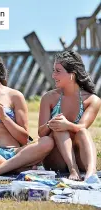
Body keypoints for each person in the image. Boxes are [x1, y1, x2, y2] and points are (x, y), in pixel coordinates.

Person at [39, 50, 101, 180]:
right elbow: (41, 133)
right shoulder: (49, 98)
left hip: (80, 159)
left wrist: (66, 125)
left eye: (58, 71)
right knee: (58, 128)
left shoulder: (92, 100)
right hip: (56, 161)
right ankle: (73, 171)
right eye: (53, 70)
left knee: (82, 132)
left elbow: (82, 127)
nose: (53, 75)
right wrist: (52, 124)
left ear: (72, 75)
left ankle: (91, 173)